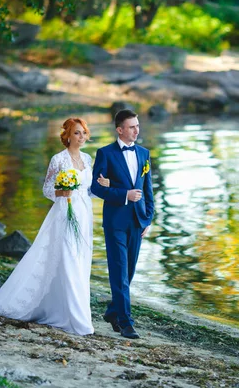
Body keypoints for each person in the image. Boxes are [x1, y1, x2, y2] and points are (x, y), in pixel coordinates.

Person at [0, 117, 109, 336]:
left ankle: (66, 309)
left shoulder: (88, 159)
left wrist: (103, 185)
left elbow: (89, 190)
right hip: (65, 213)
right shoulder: (58, 159)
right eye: (76, 133)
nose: (81, 137)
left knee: (80, 260)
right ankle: (76, 318)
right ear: (67, 136)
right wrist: (62, 193)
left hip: (84, 214)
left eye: (83, 133)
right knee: (68, 259)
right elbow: (46, 189)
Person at [90, 109, 154, 339]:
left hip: (137, 222)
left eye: (137, 126)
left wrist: (148, 219)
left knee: (130, 271)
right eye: (132, 127)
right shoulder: (105, 153)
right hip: (115, 222)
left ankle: (112, 312)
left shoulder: (144, 153)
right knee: (119, 272)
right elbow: (96, 188)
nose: (137, 130)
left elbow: (148, 190)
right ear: (119, 129)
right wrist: (124, 194)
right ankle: (126, 322)